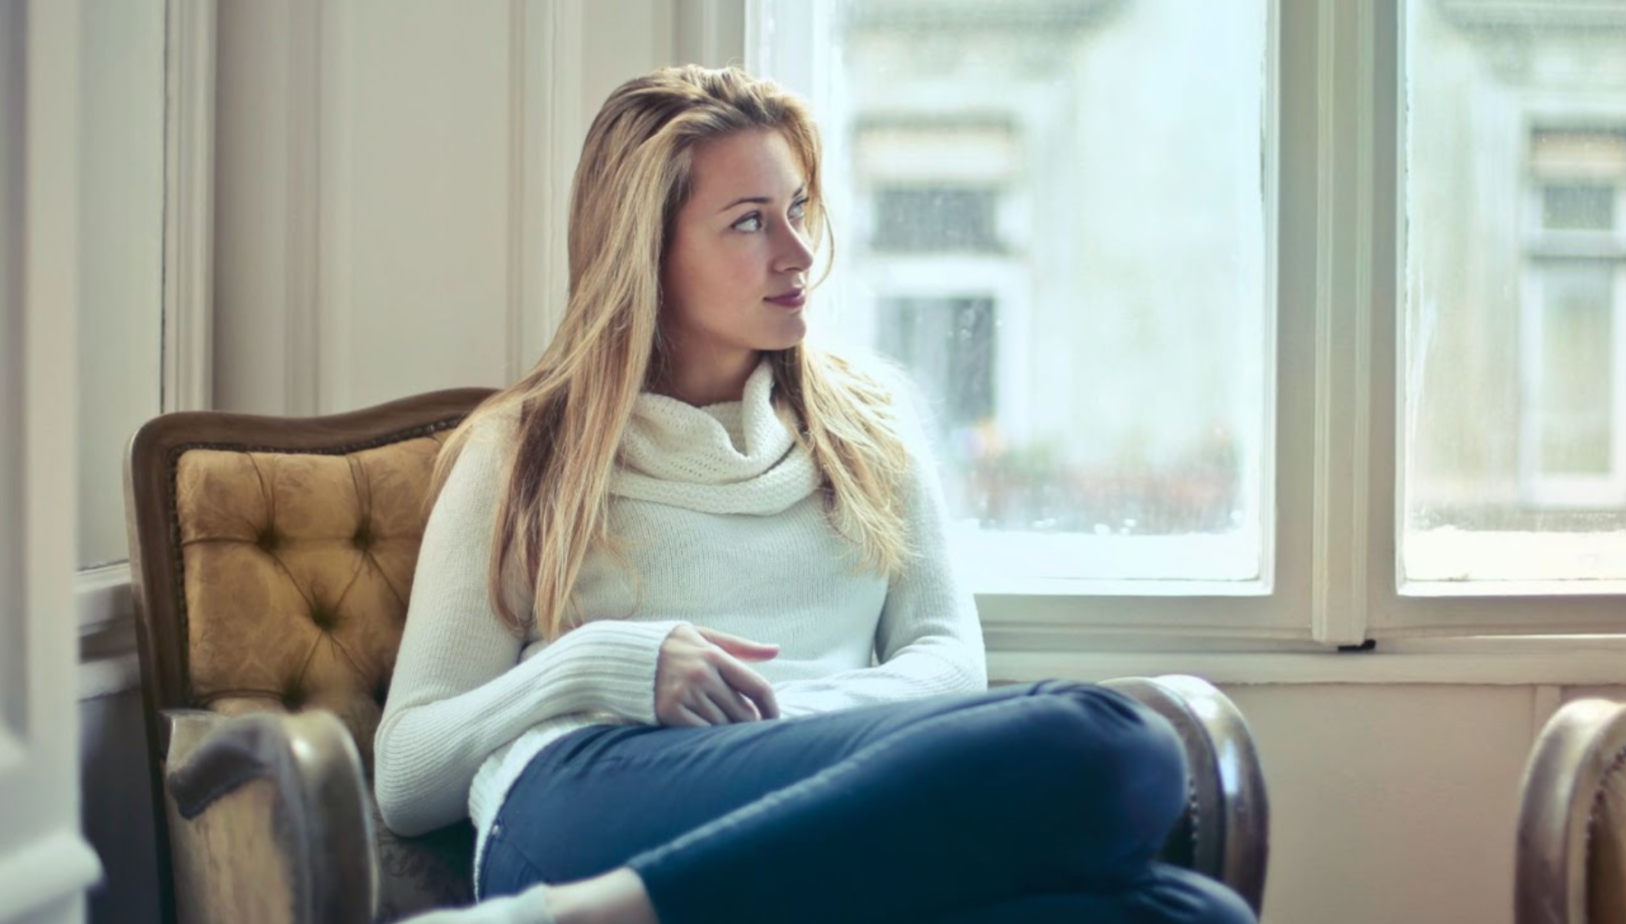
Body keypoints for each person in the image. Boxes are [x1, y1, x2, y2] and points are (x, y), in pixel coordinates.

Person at [377, 64, 1256, 924]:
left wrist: (776, 723)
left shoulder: (870, 421)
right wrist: (606, 661)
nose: (797, 252)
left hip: (824, 784)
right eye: (749, 222)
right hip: (588, 795)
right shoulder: (525, 449)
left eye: (797, 209)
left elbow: (950, 662)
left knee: (1190, 905)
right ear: (646, 252)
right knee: (1114, 737)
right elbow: (409, 772)